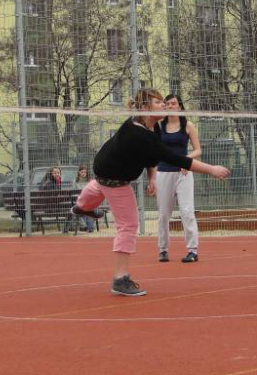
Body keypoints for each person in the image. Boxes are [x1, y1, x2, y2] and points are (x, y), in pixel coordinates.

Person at [71, 88, 231, 296]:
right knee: (128, 225)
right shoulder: (139, 134)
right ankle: (120, 279)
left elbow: (150, 157)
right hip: (115, 180)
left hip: (102, 172)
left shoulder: (150, 127)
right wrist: (211, 169)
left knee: (96, 188)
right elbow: (175, 159)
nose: (164, 105)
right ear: (145, 108)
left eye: (164, 102)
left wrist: (153, 178)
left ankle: (81, 207)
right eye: (158, 103)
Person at [155, 94, 202, 263]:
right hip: (163, 173)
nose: (170, 106)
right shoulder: (158, 126)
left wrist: (186, 160)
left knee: (187, 211)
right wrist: (152, 176)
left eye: (174, 103)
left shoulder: (188, 125)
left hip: (184, 173)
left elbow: (198, 150)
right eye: (167, 104)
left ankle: (192, 250)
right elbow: (153, 151)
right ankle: (163, 249)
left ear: (180, 106)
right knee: (163, 214)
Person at [72, 165, 96, 233]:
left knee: (89, 209)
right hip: (79, 201)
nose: (83, 173)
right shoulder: (75, 181)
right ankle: (85, 226)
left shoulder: (90, 181)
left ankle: (89, 227)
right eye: (82, 172)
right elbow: (74, 193)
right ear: (79, 172)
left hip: (89, 201)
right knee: (80, 210)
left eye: (85, 172)